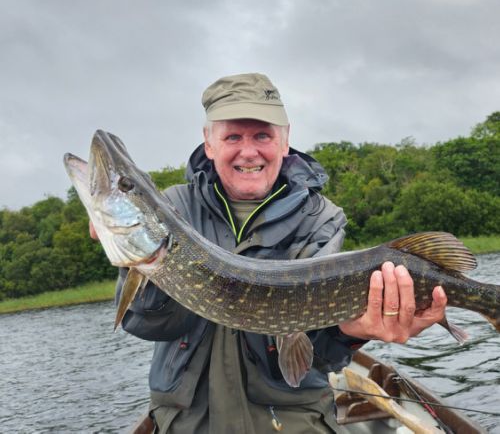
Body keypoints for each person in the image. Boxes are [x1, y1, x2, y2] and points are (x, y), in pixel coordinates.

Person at [94, 73, 448, 433]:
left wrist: (351, 333)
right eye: (233, 136)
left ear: (285, 140)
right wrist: (137, 257)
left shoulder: (320, 220)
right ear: (209, 143)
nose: (248, 152)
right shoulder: (175, 208)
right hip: (189, 421)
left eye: (262, 135)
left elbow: (319, 357)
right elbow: (147, 324)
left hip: (293, 421)